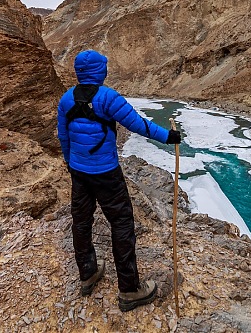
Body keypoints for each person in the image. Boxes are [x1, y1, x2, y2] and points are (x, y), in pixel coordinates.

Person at [57, 49, 181, 311]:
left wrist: (71, 164)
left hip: (79, 172)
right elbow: (137, 124)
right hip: (106, 173)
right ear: (100, 71)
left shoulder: (67, 99)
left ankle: (87, 274)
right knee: (122, 223)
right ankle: (129, 289)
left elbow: (64, 137)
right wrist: (169, 137)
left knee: (81, 222)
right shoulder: (108, 98)